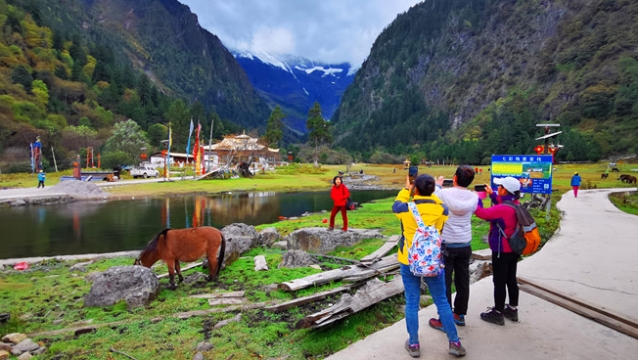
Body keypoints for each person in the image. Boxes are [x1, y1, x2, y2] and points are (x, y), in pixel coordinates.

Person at [392, 174, 466, 358]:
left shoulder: (405, 208)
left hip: (408, 261)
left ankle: (414, 344)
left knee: (411, 302)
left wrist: (406, 189)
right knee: (441, 301)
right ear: (433, 191)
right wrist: (433, 190)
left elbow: (396, 204)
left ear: (415, 189)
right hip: (434, 262)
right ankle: (454, 342)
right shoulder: (442, 210)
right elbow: (437, 213)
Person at [428, 166, 478, 331]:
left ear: (455, 178)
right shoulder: (474, 197)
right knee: (463, 280)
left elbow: (432, 195)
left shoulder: (443, 194)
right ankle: (459, 315)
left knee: (445, 282)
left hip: (447, 244)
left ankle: (444, 318)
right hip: (465, 244)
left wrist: (438, 184)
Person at [474, 176, 521, 326]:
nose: (497, 188)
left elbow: (483, 213)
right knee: (511, 279)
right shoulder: (515, 204)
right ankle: (512, 310)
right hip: (514, 248)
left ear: (505, 190)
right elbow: (502, 206)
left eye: (499, 186)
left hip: (501, 250)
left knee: (499, 281)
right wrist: (492, 195)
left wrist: (476, 200)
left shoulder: (502, 209)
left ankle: (498, 313)